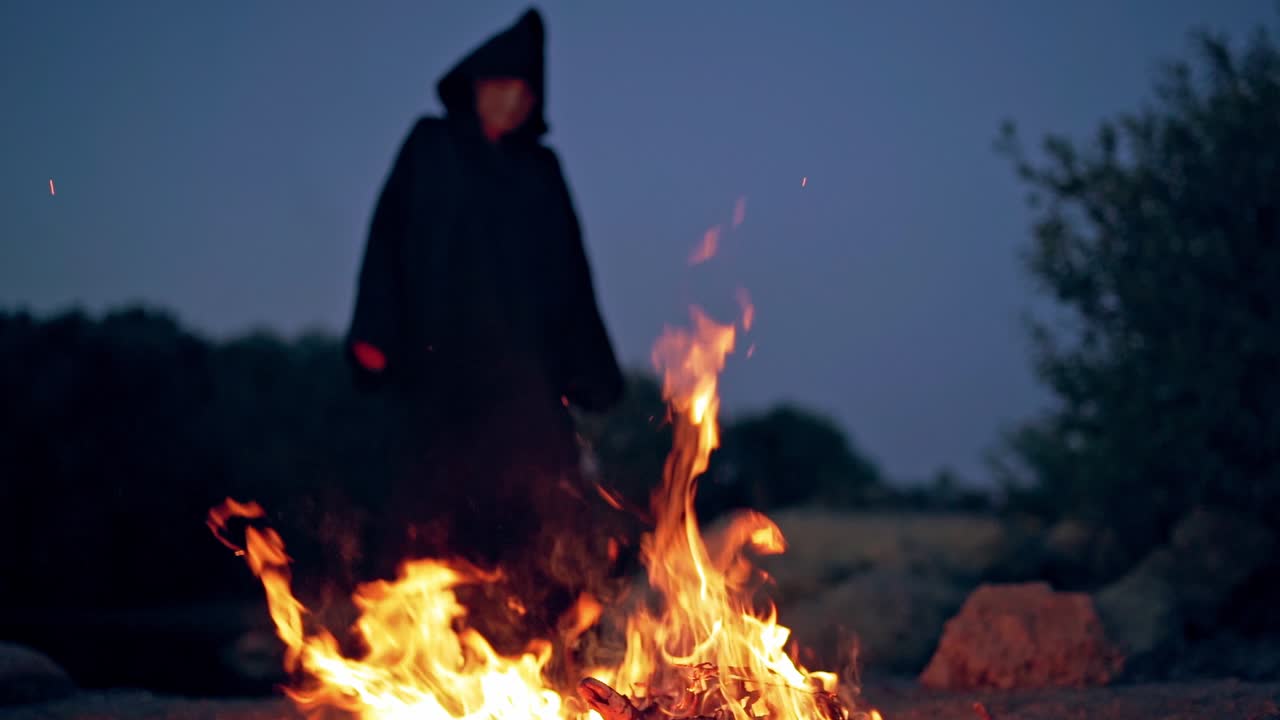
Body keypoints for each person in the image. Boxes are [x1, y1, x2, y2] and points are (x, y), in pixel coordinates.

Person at [345, 7, 631, 655]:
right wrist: (374, 334)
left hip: (528, 378)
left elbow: (572, 273)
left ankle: (549, 658)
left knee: (548, 512)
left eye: (524, 91)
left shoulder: (542, 172)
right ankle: (418, 659)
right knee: (431, 517)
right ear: (473, 85)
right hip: (440, 366)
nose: (511, 100)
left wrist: (593, 371)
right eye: (500, 85)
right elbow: (387, 239)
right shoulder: (430, 148)